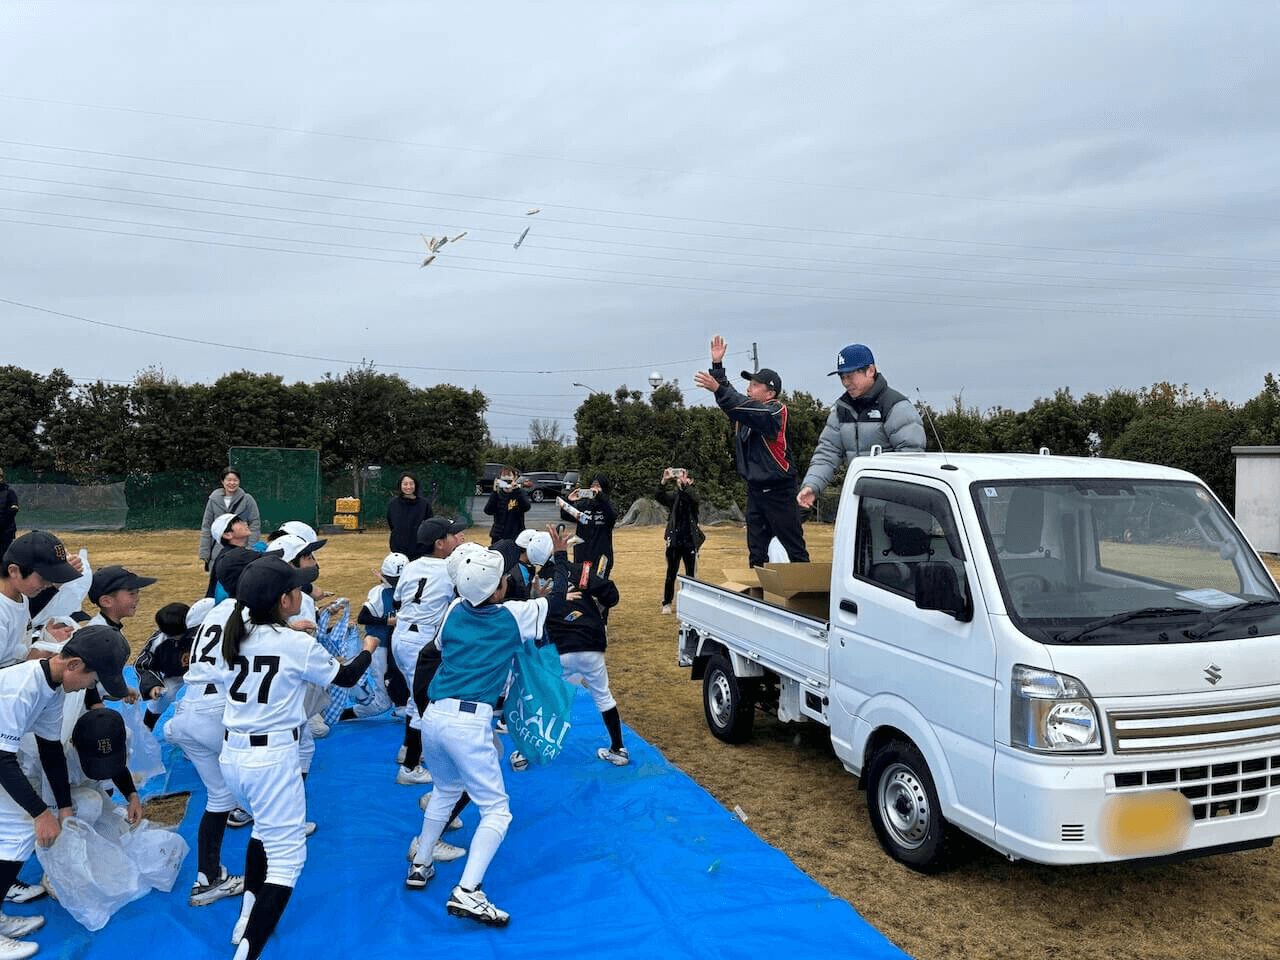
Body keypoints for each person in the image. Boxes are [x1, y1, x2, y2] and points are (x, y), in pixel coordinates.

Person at [403, 526, 573, 927]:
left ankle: (421, 863)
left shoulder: (453, 611)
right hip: (468, 721)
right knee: (497, 811)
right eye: (502, 579)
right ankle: (468, 890)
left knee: (445, 789)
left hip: (434, 716)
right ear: (497, 590)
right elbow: (560, 599)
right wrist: (560, 558)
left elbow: (442, 649)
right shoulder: (514, 617)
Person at [217, 556, 379, 960]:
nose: (302, 593)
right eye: (298, 589)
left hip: (234, 754)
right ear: (285, 599)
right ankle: (246, 953)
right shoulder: (293, 642)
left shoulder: (236, 631)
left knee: (261, 832)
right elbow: (344, 677)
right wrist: (369, 648)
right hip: (270, 757)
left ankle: (247, 918)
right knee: (288, 861)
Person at [0, 623, 130, 959]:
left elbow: (50, 749)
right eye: (92, 679)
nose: (91, 688)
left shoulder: (54, 687)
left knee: (17, 832)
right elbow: (1, 759)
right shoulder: (23, 687)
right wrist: (42, 813)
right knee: (18, 831)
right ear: (73, 665)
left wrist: (64, 806)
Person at [163, 547, 263, 902]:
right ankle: (267, 885)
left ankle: (207, 878)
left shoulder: (218, 608)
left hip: (188, 710)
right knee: (264, 791)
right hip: (216, 712)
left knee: (220, 797)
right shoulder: (248, 613)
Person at [694, 335, 809, 567]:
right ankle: (758, 598)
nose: (749, 388)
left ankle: (805, 597)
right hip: (756, 491)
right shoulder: (747, 411)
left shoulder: (775, 412)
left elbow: (739, 404)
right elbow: (735, 400)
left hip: (779, 491)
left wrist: (718, 387)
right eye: (749, 384)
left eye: (755, 385)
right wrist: (717, 367)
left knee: (794, 548)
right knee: (757, 551)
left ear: (770, 394)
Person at [797, 343, 927, 509]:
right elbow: (827, 452)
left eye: (850, 376)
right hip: (859, 503)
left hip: (894, 507)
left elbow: (911, 457)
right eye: (842, 377)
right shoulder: (841, 409)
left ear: (870, 371)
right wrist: (812, 486)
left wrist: (892, 501)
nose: (845, 382)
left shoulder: (896, 407)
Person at [537, 534, 629, 766]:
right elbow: (612, 595)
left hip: (560, 649)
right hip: (591, 644)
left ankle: (528, 752)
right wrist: (596, 600)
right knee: (603, 695)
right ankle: (618, 748)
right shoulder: (581, 571)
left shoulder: (538, 582)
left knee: (549, 697)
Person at [392, 517, 468, 785]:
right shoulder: (449, 568)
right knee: (424, 702)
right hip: (422, 639)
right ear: (439, 544)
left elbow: (397, 599)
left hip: (400, 635)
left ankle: (407, 750)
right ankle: (411, 767)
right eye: (450, 535)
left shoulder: (412, 566)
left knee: (416, 698)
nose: (454, 538)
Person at [0, 532, 83, 669]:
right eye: (44, 578)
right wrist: (28, 660)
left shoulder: (20, 596)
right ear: (14, 571)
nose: (49, 583)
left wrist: (42, 639)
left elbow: (11, 649)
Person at [135, 600, 212, 731]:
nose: (175, 639)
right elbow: (143, 664)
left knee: (209, 701)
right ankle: (147, 727)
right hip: (174, 674)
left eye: (178, 636)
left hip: (202, 673)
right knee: (163, 696)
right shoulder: (158, 641)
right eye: (171, 636)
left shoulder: (203, 633)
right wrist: (153, 685)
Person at [356, 552, 410, 713]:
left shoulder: (409, 590)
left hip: (398, 645)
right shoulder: (379, 592)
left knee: (402, 678)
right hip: (379, 646)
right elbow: (362, 617)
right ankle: (341, 715)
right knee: (382, 702)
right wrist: (388, 622)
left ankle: (402, 706)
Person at [656, 468, 704, 614]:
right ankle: (667, 603)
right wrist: (664, 481)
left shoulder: (693, 495)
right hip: (675, 540)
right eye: (680, 477)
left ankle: (691, 602)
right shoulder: (674, 497)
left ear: (691, 481)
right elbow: (659, 496)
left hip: (690, 539)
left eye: (685, 477)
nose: (681, 479)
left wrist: (685, 486)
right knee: (671, 572)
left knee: (691, 574)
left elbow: (695, 499)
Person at [199, 468, 261, 573]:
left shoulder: (247, 500)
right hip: (217, 550)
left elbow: (254, 524)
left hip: (241, 549)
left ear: (239, 481)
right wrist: (205, 552)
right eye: (228, 480)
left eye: (235, 480)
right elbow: (206, 526)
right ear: (223, 481)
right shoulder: (213, 500)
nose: (232, 483)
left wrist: (251, 548)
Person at [557, 474, 617, 578]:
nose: (594, 488)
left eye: (598, 486)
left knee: (599, 585)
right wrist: (569, 500)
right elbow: (566, 515)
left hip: (602, 555)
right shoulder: (583, 505)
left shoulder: (608, 505)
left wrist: (600, 496)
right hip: (583, 554)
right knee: (582, 585)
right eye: (593, 486)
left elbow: (612, 516)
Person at [86, 564, 157, 635]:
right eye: (131, 593)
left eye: (137, 592)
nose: (137, 598)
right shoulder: (100, 635)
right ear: (106, 601)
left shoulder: (108, 628)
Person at [387, 473, 433, 556]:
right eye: (405, 484)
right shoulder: (393, 504)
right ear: (400, 486)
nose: (408, 487)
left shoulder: (424, 504)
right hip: (398, 550)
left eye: (411, 484)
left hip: (419, 551)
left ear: (415, 485)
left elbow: (429, 526)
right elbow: (392, 524)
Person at [483, 467, 530, 545]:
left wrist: (516, 490)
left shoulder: (519, 492)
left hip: (515, 535)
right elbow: (488, 511)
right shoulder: (497, 494)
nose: (507, 483)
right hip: (498, 536)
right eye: (504, 481)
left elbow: (526, 507)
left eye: (509, 481)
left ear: (514, 479)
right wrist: (494, 492)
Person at [0, 470, 17, 562]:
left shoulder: (9, 492)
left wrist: (3, 520)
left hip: (6, 530)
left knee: (5, 555)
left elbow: (14, 508)